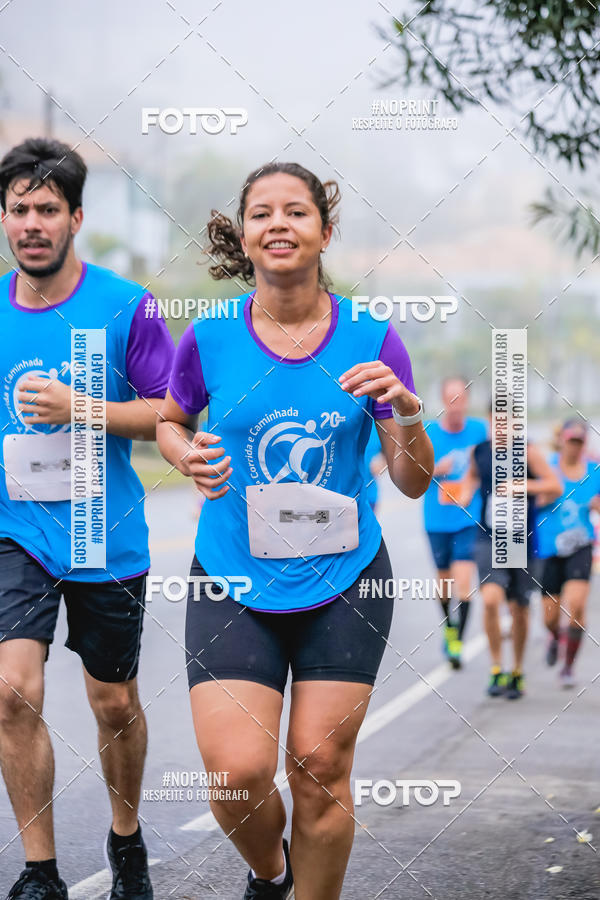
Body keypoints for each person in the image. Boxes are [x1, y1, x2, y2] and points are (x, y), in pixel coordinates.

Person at [157, 161, 433, 900]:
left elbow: (411, 480)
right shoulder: (209, 337)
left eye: (297, 212)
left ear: (324, 232)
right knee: (237, 775)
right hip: (231, 576)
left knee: (320, 769)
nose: (279, 224)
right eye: (262, 213)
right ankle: (270, 873)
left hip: (344, 580)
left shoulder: (372, 337)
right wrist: (186, 454)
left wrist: (405, 410)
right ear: (243, 236)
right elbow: (170, 421)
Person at [0, 138, 174, 900]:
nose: (30, 224)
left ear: (75, 217)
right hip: (16, 532)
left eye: (46, 209)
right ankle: (41, 870)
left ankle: (126, 836)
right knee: (11, 691)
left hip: (106, 533)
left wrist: (85, 407)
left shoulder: (124, 305)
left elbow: (171, 413)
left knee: (114, 703)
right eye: (17, 210)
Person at [462, 409, 561, 699]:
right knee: (491, 600)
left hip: (521, 540)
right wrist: (464, 492)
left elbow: (554, 486)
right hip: (488, 536)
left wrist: (523, 485)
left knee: (519, 608)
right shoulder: (479, 451)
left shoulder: (527, 452)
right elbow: (470, 478)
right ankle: (496, 668)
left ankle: (516, 669)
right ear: (489, 421)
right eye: (497, 421)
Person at [423, 378, 487, 668]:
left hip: (468, 518)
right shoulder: (429, 433)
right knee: (445, 582)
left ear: (467, 400)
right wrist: (437, 468)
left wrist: (474, 485)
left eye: (460, 399)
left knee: (464, 580)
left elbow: (491, 464)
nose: (455, 405)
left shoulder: (478, 430)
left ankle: (457, 640)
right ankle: (449, 627)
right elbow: (413, 473)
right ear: (442, 400)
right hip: (437, 519)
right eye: (450, 399)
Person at [536, 419, 600, 688]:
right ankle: (555, 636)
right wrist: (543, 497)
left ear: (584, 444)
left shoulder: (594, 471)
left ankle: (568, 667)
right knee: (550, 616)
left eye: (579, 442)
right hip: (549, 549)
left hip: (580, 546)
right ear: (561, 439)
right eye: (570, 440)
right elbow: (528, 502)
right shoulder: (546, 467)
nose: (574, 447)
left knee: (576, 606)